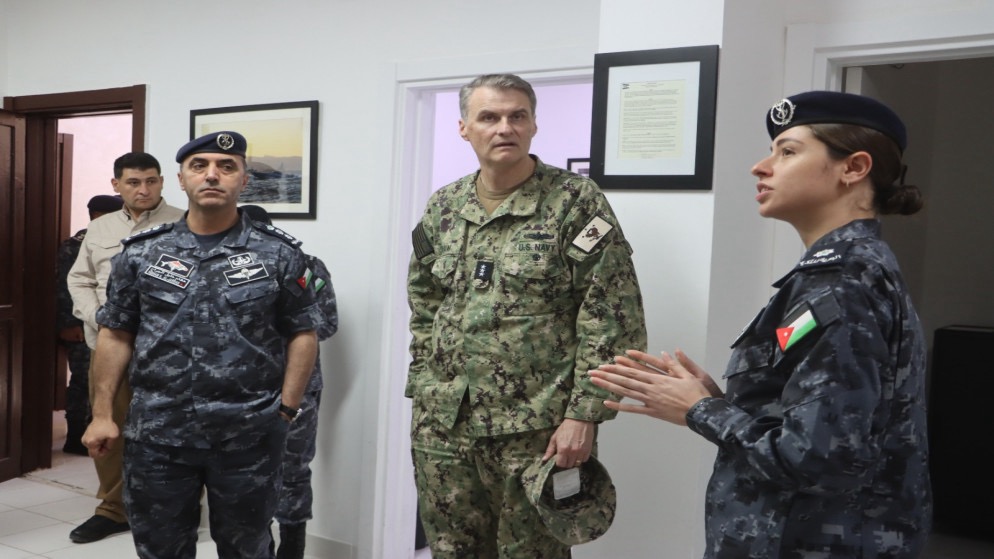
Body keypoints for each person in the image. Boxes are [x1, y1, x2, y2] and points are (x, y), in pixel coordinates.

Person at [590, 91, 932, 558]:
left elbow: (818, 457)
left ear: (853, 168)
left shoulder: (844, 281)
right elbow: (815, 419)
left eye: (787, 152)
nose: (761, 167)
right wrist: (718, 401)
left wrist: (701, 410)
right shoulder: (843, 270)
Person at [406, 74, 647, 558]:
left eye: (517, 116)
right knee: (451, 550)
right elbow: (425, 301)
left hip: (536, 430)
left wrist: (584, 415)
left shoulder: (574, 202)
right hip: (444, 426)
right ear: (464, 128)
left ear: (534, 124)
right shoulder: (444, 207)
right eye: (489, 117)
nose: (505, 127)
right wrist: (424, 381)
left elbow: (611, 316)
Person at [82, 131, 322, 559]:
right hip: (158, 435)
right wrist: (102, 414)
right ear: (181, 179)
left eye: (226, 167)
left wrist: (286, 411)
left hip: (248, 435)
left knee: (247, 549)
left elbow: (303, 332)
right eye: (199, 166)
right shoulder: (141, 253)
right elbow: (116, 333)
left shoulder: (279, 254)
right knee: (161, 549)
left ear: (244, 180)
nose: (212, 175)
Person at [66, 152, 185, 543]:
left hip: (168, 352)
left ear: (162, 182)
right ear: (117, 185)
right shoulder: (100, 229)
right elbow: (79, 280)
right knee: (108, 428)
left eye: (151, 181)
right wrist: (98, 316)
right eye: (133, 182)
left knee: (170, 432)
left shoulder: (184, 223)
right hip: (108, 347)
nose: (143, 190)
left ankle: (170, 507)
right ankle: (114, 509)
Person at [241, 204, 339, 559]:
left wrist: (278, 327)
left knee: (293, 469)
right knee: (244, 472)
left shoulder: (306, 268)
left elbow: (327, 323)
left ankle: (292, 547)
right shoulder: (223, 271)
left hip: (297, 388)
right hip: (241, 390)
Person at [56, 194, 124, 456]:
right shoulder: (76, 245)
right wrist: (68, 323)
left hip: (108, 324)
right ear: (97, 215)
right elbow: (65, 287)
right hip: (81, 325)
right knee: (84, 381)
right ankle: (75, 436)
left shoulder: (113, 239)